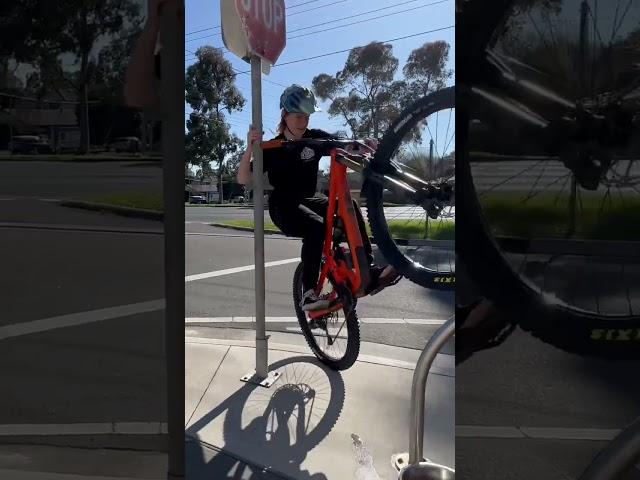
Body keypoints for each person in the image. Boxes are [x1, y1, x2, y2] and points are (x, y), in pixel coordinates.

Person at [237, 84, 400, 311]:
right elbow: (243, 179)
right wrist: (250, 149)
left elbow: (343, 145)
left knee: (348, 206)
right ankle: (308, 294)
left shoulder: (315, 139)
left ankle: (366, 269)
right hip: (283, 206)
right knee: (316, 228)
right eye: (298, 117)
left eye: (307, 116)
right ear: (285, 115)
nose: (303, 121)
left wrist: (365, 145)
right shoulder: (273, 147)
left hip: (310, 198)